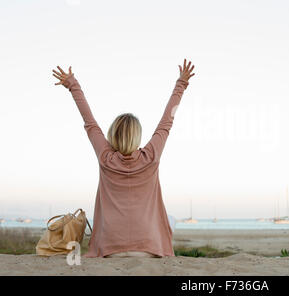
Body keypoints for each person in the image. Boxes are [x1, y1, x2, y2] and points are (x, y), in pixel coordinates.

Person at [52, 59, 195, 257]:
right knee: (170, 219)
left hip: (111, 250)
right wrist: (181, 83)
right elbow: (166, 122)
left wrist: (72, 85)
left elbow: (89, 122)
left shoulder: (105, 157)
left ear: (112, 135)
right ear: (137, 135)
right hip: (148, 249)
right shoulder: (151, 156)